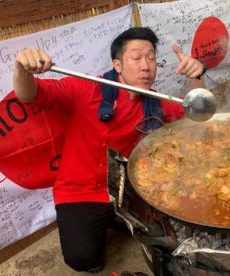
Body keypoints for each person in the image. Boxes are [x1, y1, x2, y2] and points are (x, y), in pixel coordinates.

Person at [13, 27, 206, 272]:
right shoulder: (84, 89)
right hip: (80, 190)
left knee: (172, 230)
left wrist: (197, 75)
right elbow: (28, 94)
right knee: (81, 258)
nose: (146, 66)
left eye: (151, 58)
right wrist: (22, 69)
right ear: (117, 65)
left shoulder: (156, 104)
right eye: (136, 58)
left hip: (127, 189)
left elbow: (195, 116)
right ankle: (111, 222)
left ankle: (117, 218)